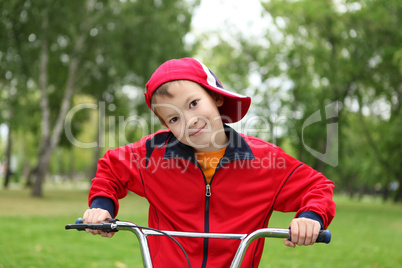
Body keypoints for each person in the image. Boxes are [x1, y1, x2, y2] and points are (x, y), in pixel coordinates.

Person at [83, 57, 336, 267]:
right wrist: (102, 206)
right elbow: (111, 168)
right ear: (166, 125)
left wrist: (311, 217)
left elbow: (316, 187)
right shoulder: (153, 156)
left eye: (193, 104)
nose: (189, 120)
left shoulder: (264, 160)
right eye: (174, 118)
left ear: (216, 97)